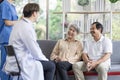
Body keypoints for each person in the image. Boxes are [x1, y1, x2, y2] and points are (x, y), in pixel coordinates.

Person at [3, 3, 55, 80]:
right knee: (51, 66)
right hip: (22, 62)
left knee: (44, 65)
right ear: (34, 13)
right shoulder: (26, 27)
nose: (38, 15)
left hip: (14, 61)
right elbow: (34, 50)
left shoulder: (18, 24)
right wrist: (45, 59)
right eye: (38, 13)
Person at [0, 0, 18, 80]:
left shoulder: (12, 6)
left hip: (12, 38)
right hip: (6, 37)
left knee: (11, 63)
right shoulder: (4, 4)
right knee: (5, 63)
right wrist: (19, 22)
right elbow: (7, 22)